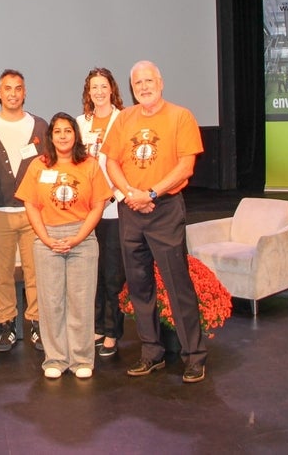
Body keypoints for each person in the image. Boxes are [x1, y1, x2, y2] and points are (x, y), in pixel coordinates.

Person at [101, 60, 208, 383]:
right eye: (137, 84)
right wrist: (129, 193)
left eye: (149, 81)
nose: (144, 87)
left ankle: (194, 356)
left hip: (165, 209)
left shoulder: (180, 116)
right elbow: (111, 161)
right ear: (132, 89)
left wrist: (151, 193)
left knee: (178, 285)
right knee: (138, 286)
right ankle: (151, 353)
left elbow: (185, 167)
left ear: (160, 83)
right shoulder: (124, 119)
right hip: (131, 210)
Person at [15, 112, 112, 379]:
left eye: (68, 131)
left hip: (82, 239)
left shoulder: (90, 165)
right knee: (51, 302)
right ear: (51, 136)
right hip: (47, 239)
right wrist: (46, 239)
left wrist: (78, 237)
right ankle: (55, 359)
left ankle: (82, 359)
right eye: (57, 131)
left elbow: (98, 205)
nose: (63, 136)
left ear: (75, 135)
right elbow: (30, 205)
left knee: (81, 302)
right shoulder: (39, 165)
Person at [0, 69, 48, 352]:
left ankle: (38, 324)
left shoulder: (41, 126)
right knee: (2, 273)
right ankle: (6, 324)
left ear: (25, 92)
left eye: (18, 88)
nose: (13, 93)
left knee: (36, 272)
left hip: (34, 214)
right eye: (8, 88)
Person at [75, 68, 126, 357]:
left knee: (113, 274)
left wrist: (114, 194)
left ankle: (112, 331)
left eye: (103, 86)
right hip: (87, 211)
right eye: (93, 87)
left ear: (112, 89)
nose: (98, 91)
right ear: (88, 91)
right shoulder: (81, 123)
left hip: (116, 209)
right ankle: (95, 326)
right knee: (91, 273)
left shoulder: (124, 119)